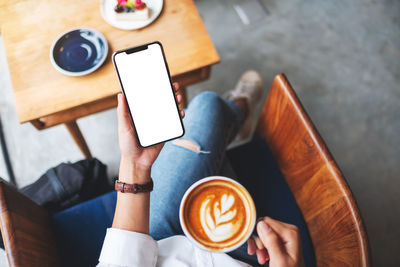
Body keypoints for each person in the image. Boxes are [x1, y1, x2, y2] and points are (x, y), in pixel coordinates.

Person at [97, 71, 305, 267]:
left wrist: (135, 165)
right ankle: (240, 109)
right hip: (246, 258)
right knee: (208, 106)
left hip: (155, 251)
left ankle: (235, 114)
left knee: (206, 113)